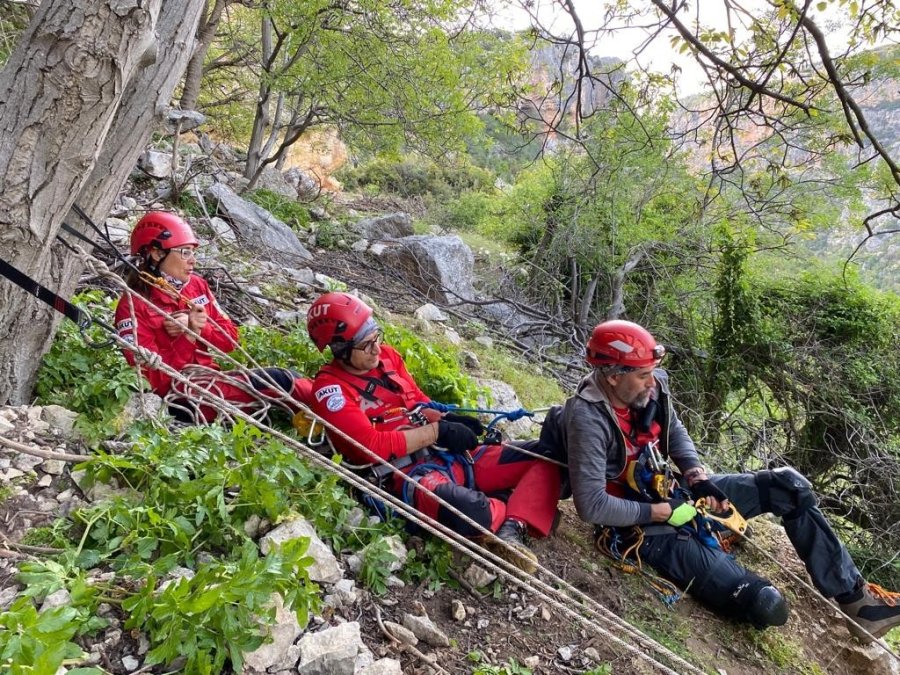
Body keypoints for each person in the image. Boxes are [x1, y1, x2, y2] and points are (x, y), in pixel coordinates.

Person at [554, 319, 900, 638]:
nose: (652, 380)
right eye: (643, 374)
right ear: (613, 376)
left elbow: (673, 430)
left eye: (653, 372)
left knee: (789, 488)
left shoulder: (650, 387)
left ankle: (859, 604)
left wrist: (697, 476)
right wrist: (663, 513)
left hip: (676, 491)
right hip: (645, 527)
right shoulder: (588, 418)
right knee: (766, 604)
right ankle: (718, 561)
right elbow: (592, 506)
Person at [305, 291, 561, 572]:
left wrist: (449, 418)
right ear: (340, 349)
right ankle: (514, 505)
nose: (377, 349)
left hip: (457, 458)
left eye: (376, 337)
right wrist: (437, 431)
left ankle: (511, 525)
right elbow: (369, 444)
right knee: (472, 513)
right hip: (410, 475)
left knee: (548, 457)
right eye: (366, 345)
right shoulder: (331, 390)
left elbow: (415, 400)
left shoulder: (388, 358)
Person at [115, 211, 309, 422]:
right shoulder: (132, 306)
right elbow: (153, 379)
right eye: (185, 253)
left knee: (289, 381)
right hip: (182, 398)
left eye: (193, 253)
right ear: (156, 254)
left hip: (212, 382)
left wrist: (203, 327)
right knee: (283, 381)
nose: (193, 261)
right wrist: (189, 336)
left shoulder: (197, 287)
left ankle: (326, 419)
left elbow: (231, 340)